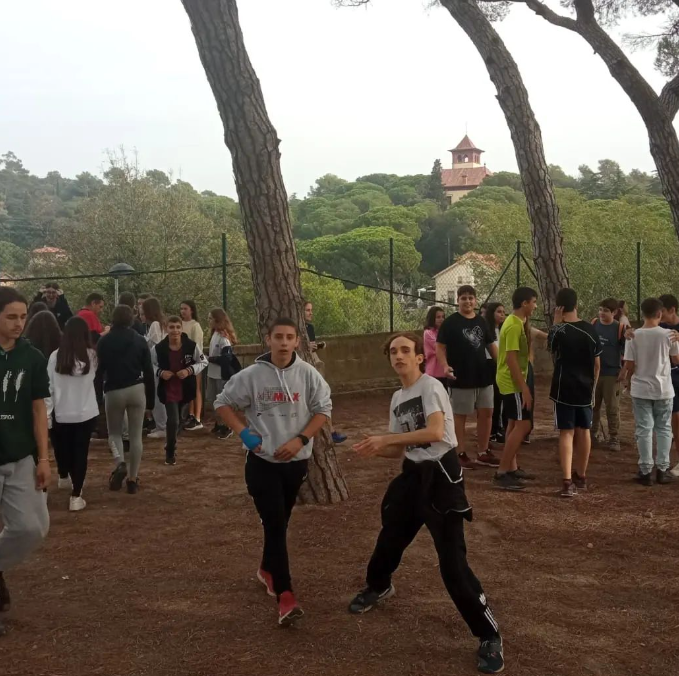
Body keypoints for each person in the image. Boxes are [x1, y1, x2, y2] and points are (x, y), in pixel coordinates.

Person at [348, 332, 504, 675]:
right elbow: (397, 449)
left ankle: (489, 635)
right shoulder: (397, 397)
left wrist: (388, 439)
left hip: (442, 478)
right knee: (390, 538)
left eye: (405, 350)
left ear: (420, 357)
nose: (399, 355)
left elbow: (435, 433)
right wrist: (372, 447)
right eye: (393, 351)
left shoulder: (431, 387)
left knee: (452, 564)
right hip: (412, 476)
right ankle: (379, 586)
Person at [214, 318, 332, 627]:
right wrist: (243, 433)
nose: (283, 342)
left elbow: (323, 410)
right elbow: (223, 403)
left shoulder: (308, 374)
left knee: (279, 523)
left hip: (296, 463)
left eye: (289, 337)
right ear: (268, 340)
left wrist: (300, 440)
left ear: (297, 341)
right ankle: (286, 596)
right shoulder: (251, 376)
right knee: (276, 525)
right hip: (262, 464)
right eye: (278, 336)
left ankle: (267, 569)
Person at [0, 288, 51, 637]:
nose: (19, 323)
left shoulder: (32, 357)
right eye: (11, 317)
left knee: (34, 527)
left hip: (21, 456)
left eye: (22, 316)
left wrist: (44, 458)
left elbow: (38, 409)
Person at [436, 286, 499, 469]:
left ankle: (483, 452)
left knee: (487, 413)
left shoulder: (481, 321)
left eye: (471, 298)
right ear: (458, 300)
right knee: (459, 416)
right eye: (464, 298)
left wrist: (503, 365)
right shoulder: (450, 323)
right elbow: (440, 347)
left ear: (475, 300)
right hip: (460, 377)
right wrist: (445, 366)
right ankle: (460, 454)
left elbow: (490, 345)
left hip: (483, 376)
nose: (468, 301)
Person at [548, 289, 601, 498]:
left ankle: (567, 481)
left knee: (566, 432)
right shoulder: (590, 329)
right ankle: (582, 476)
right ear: (576, 304)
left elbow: (551, 349)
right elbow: (597, 364)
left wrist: (555, 323)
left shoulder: (559, 329)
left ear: (559, 307)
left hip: (563, 387)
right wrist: (592, 386)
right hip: (585, 387)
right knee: (584, 430)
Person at [96, 305, 155, 495]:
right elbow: (148, 371)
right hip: (136, 389)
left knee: (114, 433)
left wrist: (97, 398)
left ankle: (120, 462)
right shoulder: (139, 340)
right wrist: (151, 400)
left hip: (113, 390)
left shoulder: (104, 341)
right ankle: (133, 479)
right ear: (131, 319)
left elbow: (99, 372)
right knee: (136, 436)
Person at [620, 298, 679, 486]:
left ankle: (645, 470)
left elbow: (629, 365)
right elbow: (676, 360)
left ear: (642, 313)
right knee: (664, 428)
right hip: (664, 389)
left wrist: (629, 378)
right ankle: (662, 469)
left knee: (644, 429)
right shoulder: (669, 335)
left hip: (641, 389)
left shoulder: (633, 336)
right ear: (659, 313)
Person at [46, 317, 98, 511]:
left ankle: (64, 476)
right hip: (86, 412)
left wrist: (47, 414)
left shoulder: (55, 356)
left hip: (62, 412)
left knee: (63, 449)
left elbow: (49, 387)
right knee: (80, 452)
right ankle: (76, 495)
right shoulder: (92, 356)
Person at [493, 287, 539, 491]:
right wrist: (524, 389)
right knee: (523, 424)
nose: (535, 306)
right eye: (533, 302)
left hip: (511, 381)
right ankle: (502, 472)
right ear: (524, 303)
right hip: (512, 382)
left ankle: (511, 467)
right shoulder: (513, 325)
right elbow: (511, 359)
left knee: (514, 423)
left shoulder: (517, 322)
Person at [151, 315, 207, 465]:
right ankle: (170, 450)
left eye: (177, 327)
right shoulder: (158, 348)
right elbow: (150, 364)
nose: (175, 331)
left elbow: (203, 361)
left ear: (182, 329)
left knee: (179, 420)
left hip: (185, 388)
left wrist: (189, 370)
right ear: (166, 329)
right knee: (173, 420)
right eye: (171, 327)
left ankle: (171, 440)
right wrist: (161, 372)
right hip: (168, 388)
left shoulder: (191, 346)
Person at [304, 301, 346, 444]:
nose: (311, 313)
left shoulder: (309, 327)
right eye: (307, 310)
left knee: (322, 396)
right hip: (302, 368)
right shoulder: (295, 328)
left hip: (311, 365)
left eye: (311, 310)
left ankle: (330, 431)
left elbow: (310, 349)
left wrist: (315, 346)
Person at [591, 298, 625, 451]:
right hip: (594, 373)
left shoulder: (620, 328)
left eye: (605, 310)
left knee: (612, 407)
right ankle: (592, 434)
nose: (601, 313)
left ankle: (614, 438)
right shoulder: (594, 324)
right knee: (593, 405)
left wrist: (624, 371)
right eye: (600, 309)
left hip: (612, 374)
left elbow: (628, 351)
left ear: (614, 312)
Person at [206, 308, 239, 440]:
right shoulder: (214, 334)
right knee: (213, 399)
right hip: (212, 373)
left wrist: (210, 359)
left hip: (221, 375)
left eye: (210, 318)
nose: (208, 321)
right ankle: (219, 423)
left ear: (217, 320)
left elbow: (226, 358)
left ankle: (227, 426)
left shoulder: (224, 339)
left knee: (223, 401)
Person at [658, 295, 679, 477]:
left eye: (662, 311)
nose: (660, 314)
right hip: (668, 379)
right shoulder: (660, 328)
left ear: (672, 310)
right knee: (675, 419)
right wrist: (630, 334)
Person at [142, 297, 167, 440]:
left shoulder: (155, 325)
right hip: (157, 364)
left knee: (158, 397)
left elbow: (157, 345)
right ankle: (160, 425)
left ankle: (162, 427)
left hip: (156, 364)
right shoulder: (158, 324)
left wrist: (145, 341)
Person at [180, 300, 205, 431]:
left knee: (196, 388)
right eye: (181, 309)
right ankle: (190, 414)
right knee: (189, 389)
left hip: (194, 362)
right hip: (183, 361)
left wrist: (194, 361)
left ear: (192, 310)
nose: (182, 311)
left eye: (185, 308)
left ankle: (197, 417)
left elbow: (197, 345)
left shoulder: (195, 325)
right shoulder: (180, 324)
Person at [484, 302, 506, 443]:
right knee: (490, 399)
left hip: (502, 366)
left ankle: (497, 429)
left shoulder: (504, 329)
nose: (502, 315)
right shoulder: (487, 330)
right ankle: (491, 431)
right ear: (491, 314)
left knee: (500, 398)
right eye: (499, 312)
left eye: (503, 312)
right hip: (489, 366)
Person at [423, 305, 447, 387]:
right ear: (432, 318)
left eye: (443, 317)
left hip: (445, 370)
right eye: (438, 317)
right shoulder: (428, 333)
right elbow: (440, 346)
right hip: (434, 371)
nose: (441, 319)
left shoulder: (444, 332)